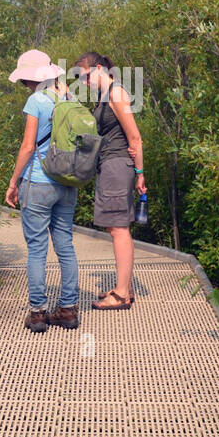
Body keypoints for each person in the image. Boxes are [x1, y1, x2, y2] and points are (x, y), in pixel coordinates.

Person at [4, 49, 80, 333]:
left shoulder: (35, 101)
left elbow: (27, 147)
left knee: (37, 249)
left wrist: (13, 182)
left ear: (29, 79)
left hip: (38, 182)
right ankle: (68, 310)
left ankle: (37, 313)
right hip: (67, 182)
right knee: (65, 245)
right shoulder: (69, 97)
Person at [74, 52, 145, 310]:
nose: (84, 83)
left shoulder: (117, 93)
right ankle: (122, 286)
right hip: (110, 165)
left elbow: (135, 138)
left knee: (118, 228)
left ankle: (123, 293)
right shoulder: (104, 96)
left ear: (100, 68)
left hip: (118, 166)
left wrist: (140, 173)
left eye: (85, 77)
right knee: (115, 227)